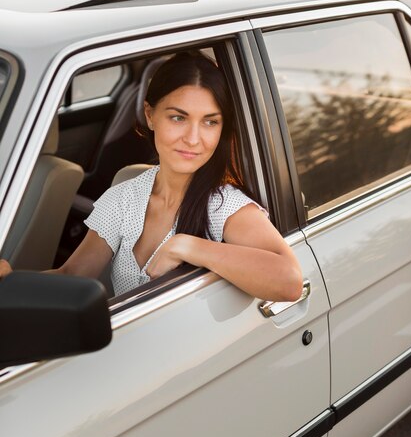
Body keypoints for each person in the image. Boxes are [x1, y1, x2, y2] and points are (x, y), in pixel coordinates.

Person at [0, 51, 302, 302]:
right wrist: (11, 280)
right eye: (178, 117)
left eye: (210, 122)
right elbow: (72, 275)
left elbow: (289, 281)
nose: (193, 138)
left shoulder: (224, 207)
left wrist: (188, 246)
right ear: (150, 114)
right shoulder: (123, 197)